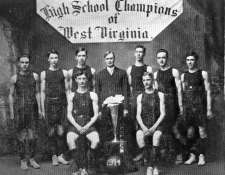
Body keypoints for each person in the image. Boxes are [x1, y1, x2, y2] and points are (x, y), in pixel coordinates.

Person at [95, 51, 136, 172]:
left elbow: (126, 92)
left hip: (120, 107)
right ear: (104, 60)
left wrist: (126, 108)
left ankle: (122, 157)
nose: (109, 60)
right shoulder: (99, 74)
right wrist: (99, 110)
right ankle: (107, 158)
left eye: (111, 58)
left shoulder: (122, 73)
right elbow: (97, 93)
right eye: (107, 58)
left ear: (114, 59)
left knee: (121, 132)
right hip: (105, 108)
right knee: (107, 133)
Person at [9, 55, 41, 170]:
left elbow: (37, 93)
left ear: (29, 63)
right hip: (20, 110)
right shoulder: (14, 78)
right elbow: (11, 95)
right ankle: (23, 160)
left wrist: (40, 109)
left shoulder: (35, 76)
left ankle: (32, 159)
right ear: (19, 64)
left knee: (33, 137)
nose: (24, 65)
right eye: (22, 62)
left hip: (33, 109)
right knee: (21, 136)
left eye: (26, 62)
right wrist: (12, 112)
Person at [181, 51, 212, 166]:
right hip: (188, 107)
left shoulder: (202, 73)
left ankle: (201, 156)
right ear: (186, 61)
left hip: (200, 106)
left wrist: (208, 109)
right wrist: (183, 108)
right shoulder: (184, 75)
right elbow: (183, 93)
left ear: (196, 61)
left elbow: (208, 92)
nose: (190, 62)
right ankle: (193, 155)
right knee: (189, 133)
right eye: (188, 60)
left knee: (202, 132)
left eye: (192, 60)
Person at [67, 71, 100, 175]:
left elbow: (95, 115)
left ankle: (86, 166)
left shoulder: (93, 95)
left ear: (87, 80)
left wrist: (86, 126)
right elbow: (69, 115)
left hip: (88, 123)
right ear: (76, 80)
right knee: (70, 139)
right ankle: (79, 167)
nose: (82, 81)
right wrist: (77, 126)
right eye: (79, 79)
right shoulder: (71, 95)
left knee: (96, 140)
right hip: (76, 123)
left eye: (84, 79)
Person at [154, 49, 183, 163]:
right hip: (162, 106)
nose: (161, 60)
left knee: (174, 129)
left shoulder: (174, 72)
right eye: (159, 58)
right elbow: (156, 93)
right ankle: (168, 154)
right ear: (157, 60)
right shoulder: (156, 74)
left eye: (163, 57)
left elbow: (179, 91)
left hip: (173, 105)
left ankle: (180, 153)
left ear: (167, 58)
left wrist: (180, 106)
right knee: (164, 130)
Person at [40, 49, 69, 166]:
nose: (54, 60)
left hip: (61, 104)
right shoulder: (44, 73)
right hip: (49, 104)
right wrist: (42, 109)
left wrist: (69, 106)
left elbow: (67, 90)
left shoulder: (64, 73)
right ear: (48, 59)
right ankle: (54, 156)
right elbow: (42, 92)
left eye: (56, 58)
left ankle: (61, 155)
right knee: (51, 132)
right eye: (51, 58)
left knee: (61, 131)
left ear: (58, 59)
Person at [136, 72, 165, 175]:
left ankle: (154, 166)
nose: (146, 82)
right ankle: (150, 165)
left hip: (157, 124)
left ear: (152, 80)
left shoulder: (160, 95)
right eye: (144, 80)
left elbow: (163, 114)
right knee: (139, 136)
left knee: (156, 137)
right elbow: (138, 115)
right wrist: (143, 128)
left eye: (148, 80)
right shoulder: (140, 96)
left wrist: (154, 127)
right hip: (145, 125)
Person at [126, 45, 152, 160]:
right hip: (134, 100)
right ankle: (138, 152)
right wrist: (131, 101)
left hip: (146, 99)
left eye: (141, 52)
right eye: (137, 52)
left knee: (145, 124)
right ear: (134, 54)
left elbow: (152, 86)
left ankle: (148, 153)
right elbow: (129, 87)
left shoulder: (148, 68)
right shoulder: (130, 69)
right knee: (133, 126)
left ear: (144, 54)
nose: (139, 54)